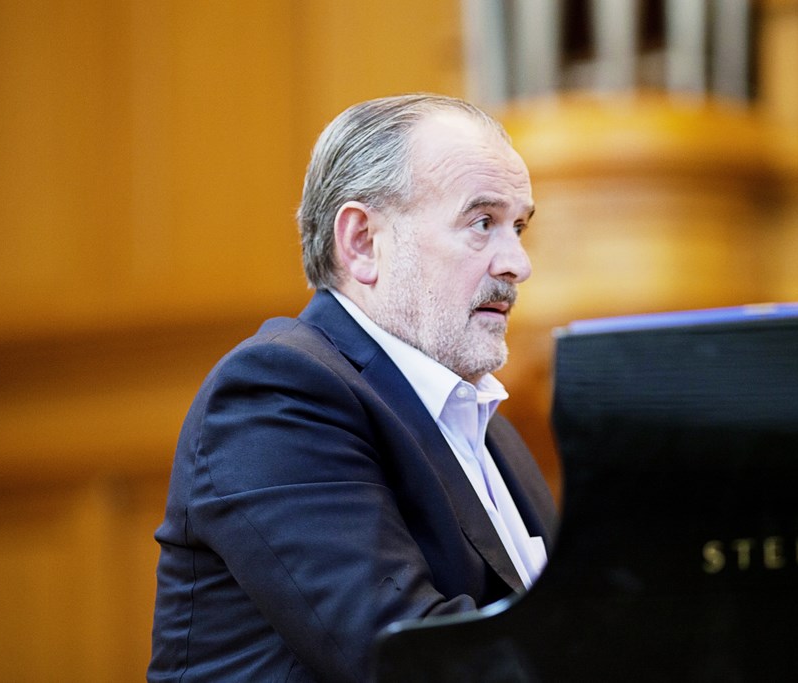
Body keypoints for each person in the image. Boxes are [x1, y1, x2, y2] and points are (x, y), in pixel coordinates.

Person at [147, 93, 557, 682]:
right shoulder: (276, 396)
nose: (518, 263)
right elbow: (407, 658)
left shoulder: (492, 431)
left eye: (518, 227)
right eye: (482, 223)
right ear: (362, 241)